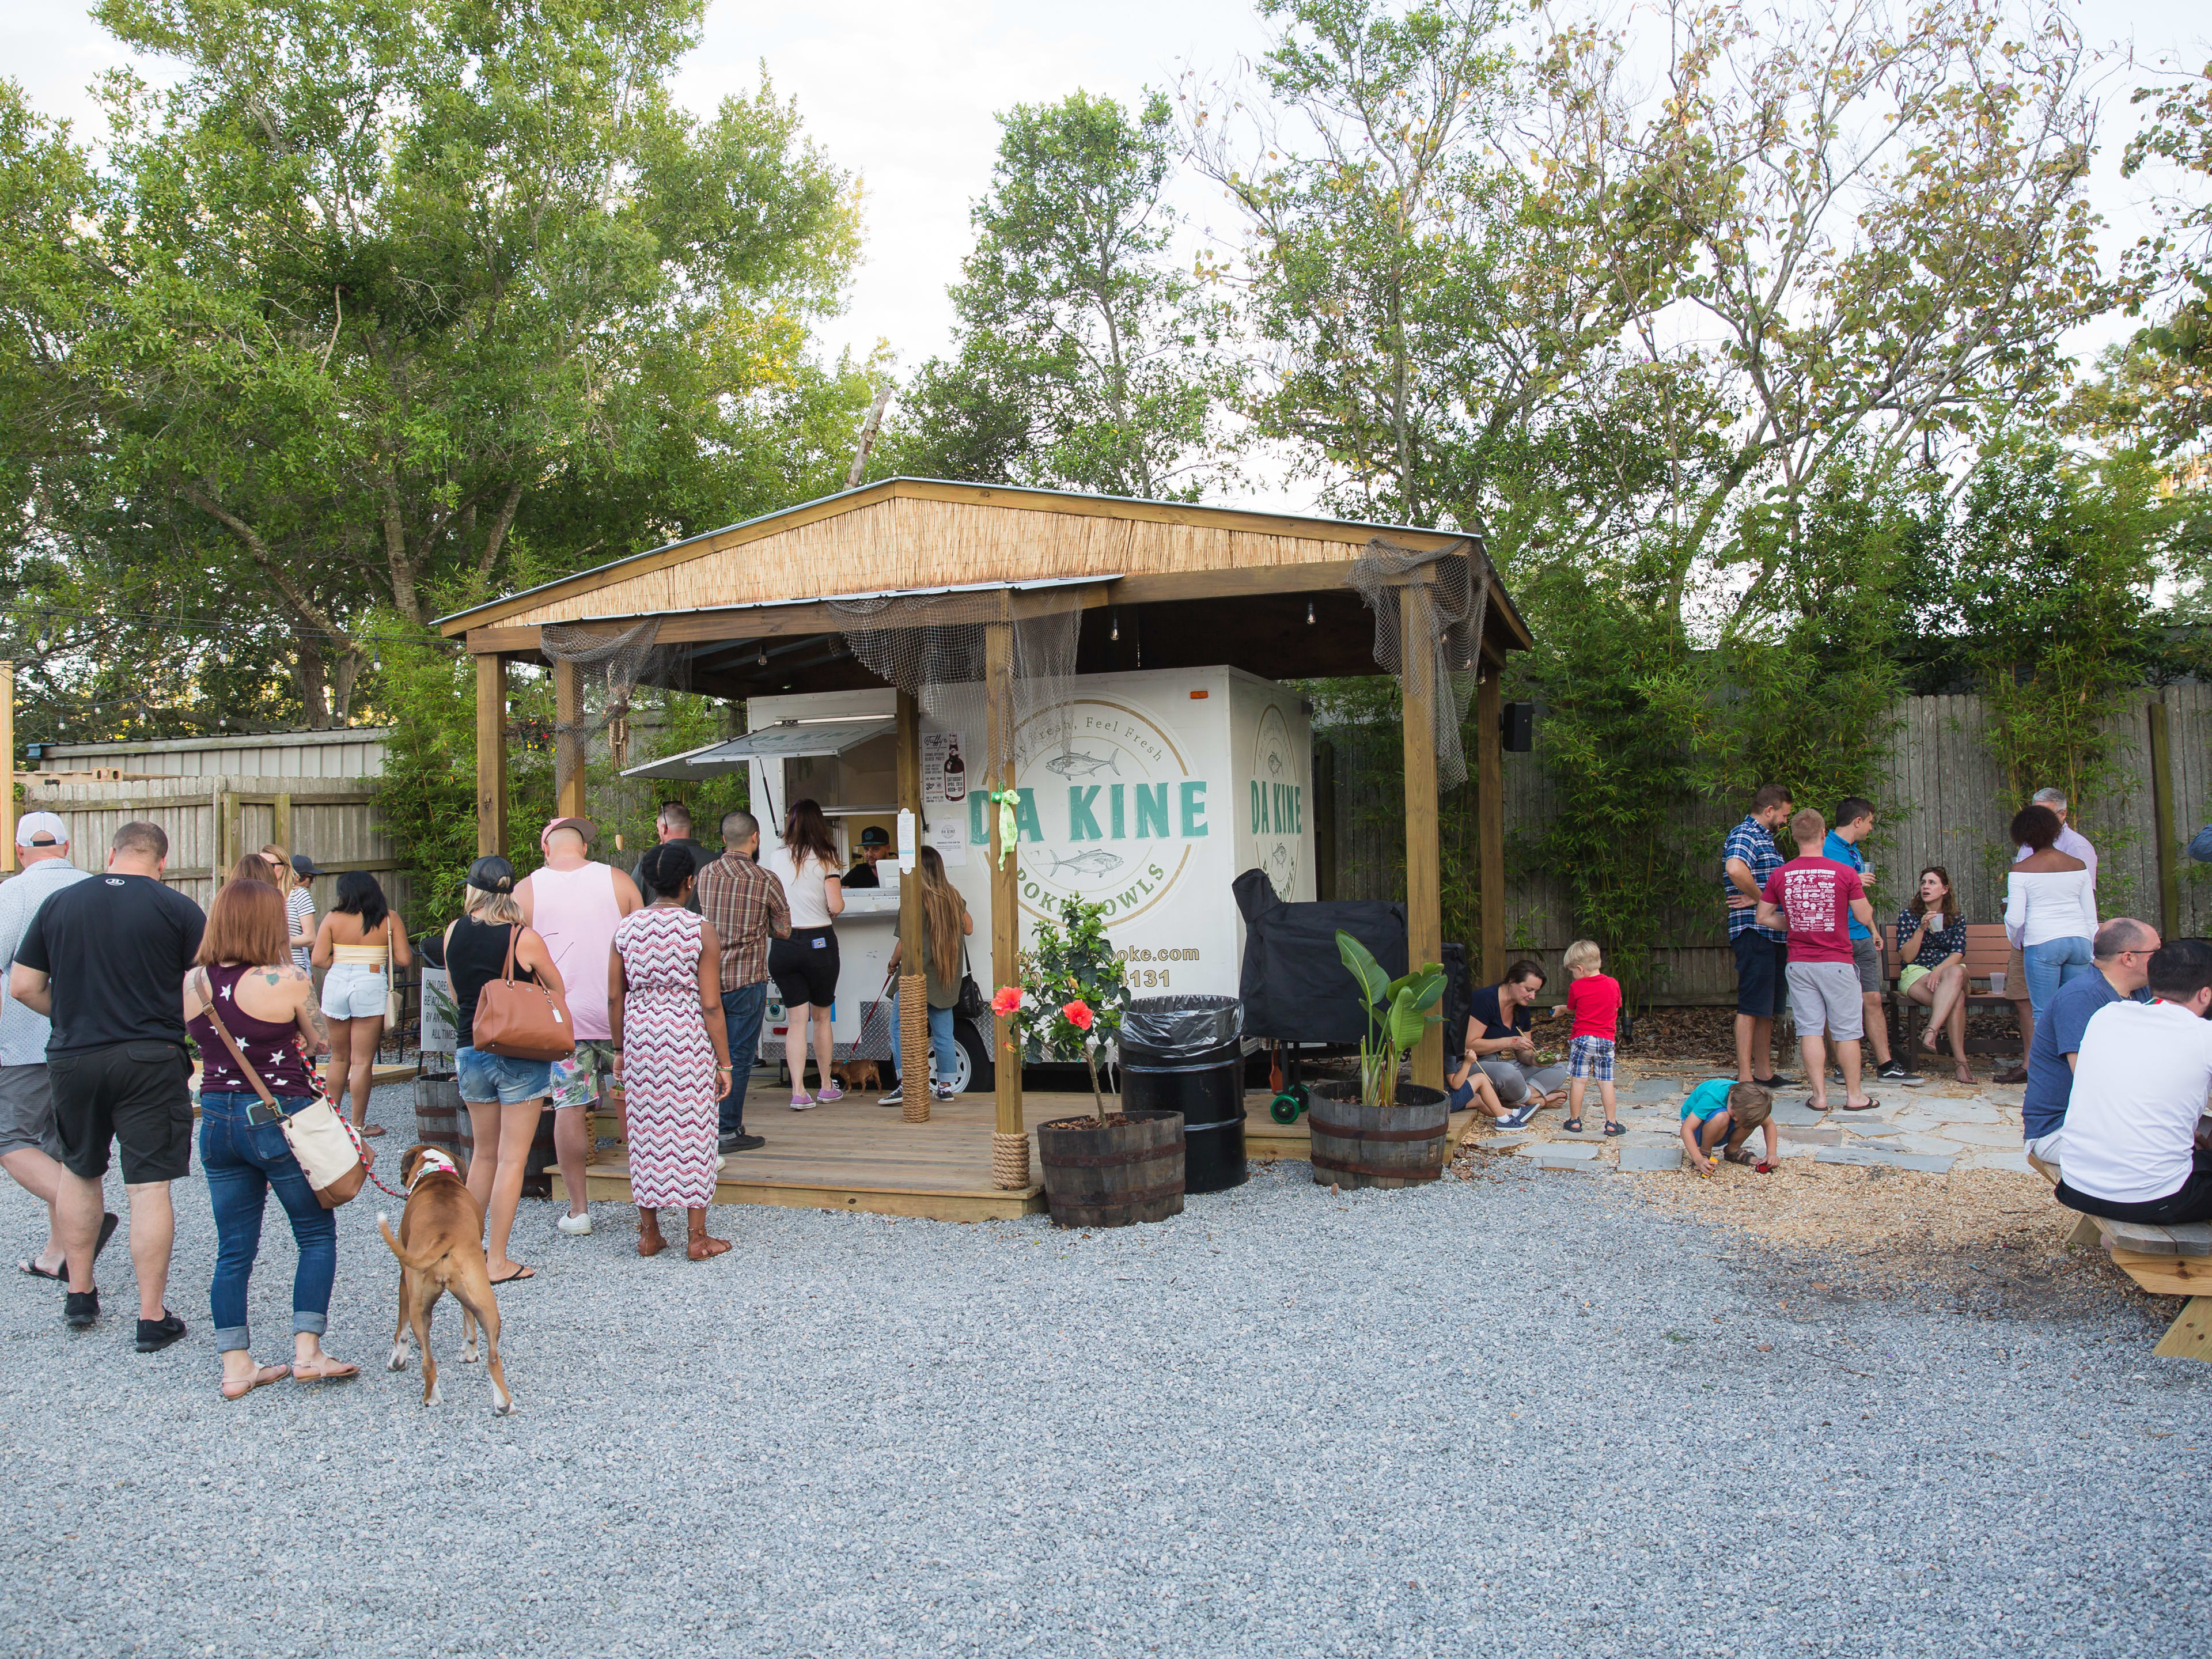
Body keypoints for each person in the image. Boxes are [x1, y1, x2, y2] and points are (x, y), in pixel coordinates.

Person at [7, 820, 204, 1347]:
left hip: (74, 1058)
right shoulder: (179, 910)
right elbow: (202, 991)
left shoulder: (62, 904)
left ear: (111, 854)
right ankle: (150, 1316)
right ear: (161, 862)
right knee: (147, 1187)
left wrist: (72, 1015)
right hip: (150, 1058)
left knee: (79, 1171)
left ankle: (80, 1294)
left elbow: (24, 985)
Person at [182, 875, 358, 1396]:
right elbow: (321, 1043)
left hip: (215, 1116)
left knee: (232, 1249)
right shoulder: (288, 980)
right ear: (267, 924)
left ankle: (237, 1366)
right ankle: (308, 1352)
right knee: (313, 1233)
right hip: (280, 1119)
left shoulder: (194, 983)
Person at [444, 855, 566, 1285]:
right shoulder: (524, 938)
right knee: (513, 1159)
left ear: (473, 890)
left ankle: (466, 1252)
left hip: (470, 1048)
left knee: (483, 1156)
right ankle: (497, 1261)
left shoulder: (452, 932)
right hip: (519, 1052)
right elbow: (557, 989)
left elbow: (460, 991)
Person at [518, 816, 642, 1237]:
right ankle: (647, 1200)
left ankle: (578, 1210)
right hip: (621, 1014)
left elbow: (515, 958)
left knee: (569, 1107)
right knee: (635, 1100)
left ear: (546, 849)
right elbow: (643, 944)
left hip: (561, 1019)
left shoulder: (525, 890)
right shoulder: (620, 880)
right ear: (584, 848)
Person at [609, 844, 734, 1260]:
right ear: (689, 882)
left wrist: (620, 1049)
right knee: (695, 1131)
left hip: (641, 1036)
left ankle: (649, 1234)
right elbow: (712, 1004)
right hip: (687, 1036)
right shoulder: (701, 929)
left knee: (645, 1133)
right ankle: (697, 1237)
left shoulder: (626, 929)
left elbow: (614, 997)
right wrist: (725, 1063)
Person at [1, 813, 99, 1285]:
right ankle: (58, 1253)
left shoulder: (12, 894)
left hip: (25, 1040)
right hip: (93, 1036)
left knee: (11, 1138)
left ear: (20, 851)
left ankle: (85, 1213)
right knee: (63, 1147)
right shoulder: (98, 889)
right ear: (65, 846)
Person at [2054, 939, 2212, 1226]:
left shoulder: (2107, 1015)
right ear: (2205, 994)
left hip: (2077, 1185)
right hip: (2152, 1199)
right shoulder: (2203, 1035)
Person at [1755, 808, 1878, 1113]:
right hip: (1837, 960)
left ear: (1794, 837)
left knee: (1810, 1030)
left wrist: (1796, 924)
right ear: (1824, 834)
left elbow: (1763, 916)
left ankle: (1819, 1097)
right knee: (1847, 1031)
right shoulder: (1845, 872)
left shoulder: (1781, 874)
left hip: (1799, 963)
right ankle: (1854, 1097)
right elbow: (1863, 916)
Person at [2020, 918, 2158, 1166]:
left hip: (2109, 1121)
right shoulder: (2080, 999)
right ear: (2129, 958)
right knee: (2169, 1152)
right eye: (2156, 953)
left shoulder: (2141, 992)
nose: (2163, 960)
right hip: (2061, 1130)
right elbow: (2091, 1082)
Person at [695, 808, 790, 1154]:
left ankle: (704, 1127)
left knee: (707, 1054)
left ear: (723, 839)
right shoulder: (766, 879)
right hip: (747, 979)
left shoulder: (705, 874)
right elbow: (783, 931)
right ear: (756, 838)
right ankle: (728, 1128)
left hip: (704, 979)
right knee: (738, 1055)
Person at [1995, 787, 2099, 1085]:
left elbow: (2015, 918)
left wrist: (2018, 937)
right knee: (2075, 1009)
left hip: (2042, 943)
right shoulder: (2076, 866)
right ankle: (2079, 1079)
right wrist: (2090, 948)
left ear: (2024, 835)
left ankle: (2047, 1079)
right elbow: (2089, 915)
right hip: (2079, 942)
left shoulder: (2022, 869)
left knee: (2043, 1013)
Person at [1823, 798, 1916, 1086]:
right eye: (1871, 822)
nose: (1872, 828)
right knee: (1838, 1004)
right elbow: (1822, 893)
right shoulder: (1825, 849)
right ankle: (1841, 1065)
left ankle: (1886, 1064)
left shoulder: (1854, 852)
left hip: (1861, 935)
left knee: (1873, 999)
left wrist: (1872, 928)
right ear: (1858, 821)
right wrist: (1851, 880)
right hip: (1838, 939)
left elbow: (1859, 899)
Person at [310, 871, 411, 1137]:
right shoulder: (389, 918)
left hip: (337, 981)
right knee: (362, 1061)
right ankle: (357, 1124)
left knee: (338, 1056)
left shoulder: (333, 918)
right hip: (371, 981)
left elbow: (319, 959)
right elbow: (404, 959)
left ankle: (333, 1123)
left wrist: (344, 963)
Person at [767, 797, 846, 1109]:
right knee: (822, 1018)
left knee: (796, 1021)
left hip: (784, 943)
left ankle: (799, 1091)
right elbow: (836, 905)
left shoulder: (775, 858)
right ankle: (826, 1086)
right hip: (819, 942)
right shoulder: (827, 860)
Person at [881, 844, 972, 1107]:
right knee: (944, 1033)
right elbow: (969, 928)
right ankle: (945, 1086)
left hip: (915, 977)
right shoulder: (953, 896)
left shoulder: (914, 900)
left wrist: (892, 963)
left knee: (900, 1029)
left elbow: (905, 944)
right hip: (945, 976)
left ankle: (906, 1084)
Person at [1722, 783, 1795, 1088]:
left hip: (1773, 934)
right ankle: (1744, 1075)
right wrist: (1764, 898)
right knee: (1752, 1005)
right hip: (1754, 931)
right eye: (1784, 815)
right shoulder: (1746, 833)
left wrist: (1763, 899)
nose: (1785, 822)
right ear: (1769, 810)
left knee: (1767, 1007)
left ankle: (1764, 1073)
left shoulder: (1765, 838)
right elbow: (1735, 868)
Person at [1895, 868, 1974, 1085]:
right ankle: (1961, 1062)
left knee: (1956, 972)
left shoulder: (1956, 917)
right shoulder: (1909, 917)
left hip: (1949, 972)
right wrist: (1921, 929)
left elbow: (1958, 952)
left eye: (1932, 883)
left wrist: (1938, 970)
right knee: (1955, 999)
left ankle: (1931, 1030)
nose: (1926, 887)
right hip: (1918, 972)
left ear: (1945, 890)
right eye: (1923, 883)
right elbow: (1908, 957)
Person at [1463, 958, 1568, 1112]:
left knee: (1559, 1069)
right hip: (1471, 1066)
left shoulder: (1522, 1008)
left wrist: (1535, 1059)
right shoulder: (1484, 1000)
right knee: (1508, 1072)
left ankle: (1509, 1099)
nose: (1533, 996)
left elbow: (1523, 1053)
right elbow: (1469, 1045)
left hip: (1499, 1068)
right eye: (1529, 989)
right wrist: (1510, 1042)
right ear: (1512, 981)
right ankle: (1537, 1102)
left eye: (1536, 992)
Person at [1551, 938, 1622, 1135]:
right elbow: (1614, 1007)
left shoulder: (1578, 987)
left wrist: (1563, 1010)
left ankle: (1574, 1121)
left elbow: (1576, 1010)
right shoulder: (1613, 984)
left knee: (1579, 1080)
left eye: (1572, 971)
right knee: (1606, 1081)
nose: (1573, 976)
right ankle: (1611, 1123)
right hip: (1606, 1040)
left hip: (1582, 1039)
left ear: (1581, 969)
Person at [1677, 1079, 1777, 1177]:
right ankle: (1704, 1152)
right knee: (1722, 1116)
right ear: (1732, 1095)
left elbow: (1769, 1124)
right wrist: (1698, 1159)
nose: (1736, 1120)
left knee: (1750, 1119)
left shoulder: (1749, 1099)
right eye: (1734, 1115)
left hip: (1723, 1129)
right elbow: (1687, 1129)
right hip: (1699, 1131)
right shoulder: (1713, 1096)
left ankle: (1733, 1152)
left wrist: (1772, 1154)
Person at [634, 801, 710, 914]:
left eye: (658, 829)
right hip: (703, 930)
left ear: (664, 828)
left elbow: (632, 902)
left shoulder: (653, 862)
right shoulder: (716, 861)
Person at [271, 849, 317, 973]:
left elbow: (311, 938)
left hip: (291, 968)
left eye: (271, 865)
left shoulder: (299, 894)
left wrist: (279, 941)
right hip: (263, 968)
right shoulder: (260, 896)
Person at [842, 825, 892, 889]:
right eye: (866, 849)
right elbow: (837, 889)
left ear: (887, 848)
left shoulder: (898, 870)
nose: (870, 854)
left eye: (876, 849)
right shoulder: (859, 872)